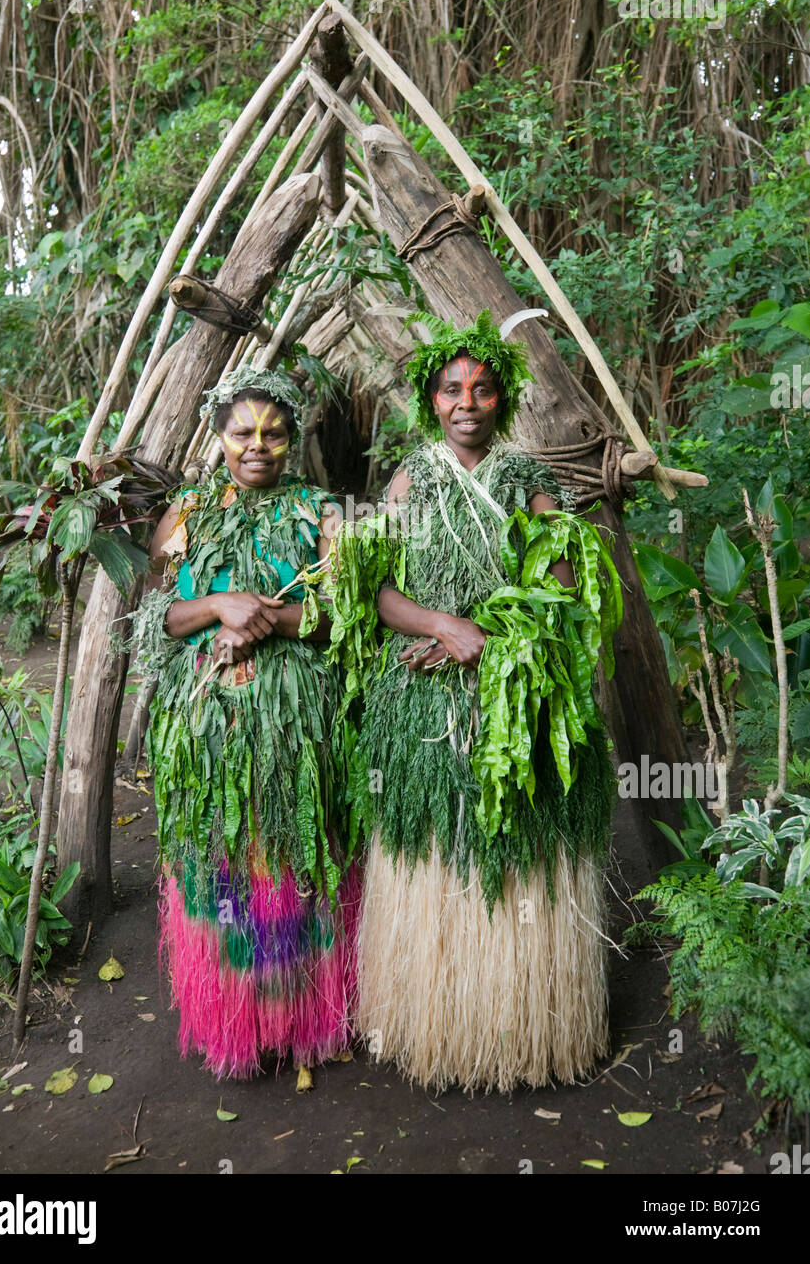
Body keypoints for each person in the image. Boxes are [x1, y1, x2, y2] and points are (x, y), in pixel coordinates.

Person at [329, 310, 622, 1094]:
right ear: (431, 402)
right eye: (452, 389)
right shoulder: (407, 482)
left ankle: (524, 1025)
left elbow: (560, 588)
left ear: (503, 399)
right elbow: (379, 592)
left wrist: (493, 638)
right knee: (436, 841)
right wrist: (442, 624)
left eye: (483, 389)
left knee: (518, 843)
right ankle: (436, 1019)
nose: (467, 401)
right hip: (423, 695)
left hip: (515, 696)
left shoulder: (529, 483)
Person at [130, 365, 358, 1082]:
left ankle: (302, 1020)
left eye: (273, 433)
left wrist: (266, 617)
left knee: (291, 863)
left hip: (297, 729)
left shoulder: (321, 512)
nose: (257, 445)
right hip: (208, 728)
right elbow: (154, 618)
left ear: (292, 439)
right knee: (225, 867)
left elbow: (345, 619)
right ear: (217, 435)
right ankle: (236, 1021)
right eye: (242, 432)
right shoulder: (189, 512)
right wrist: (218, 606)